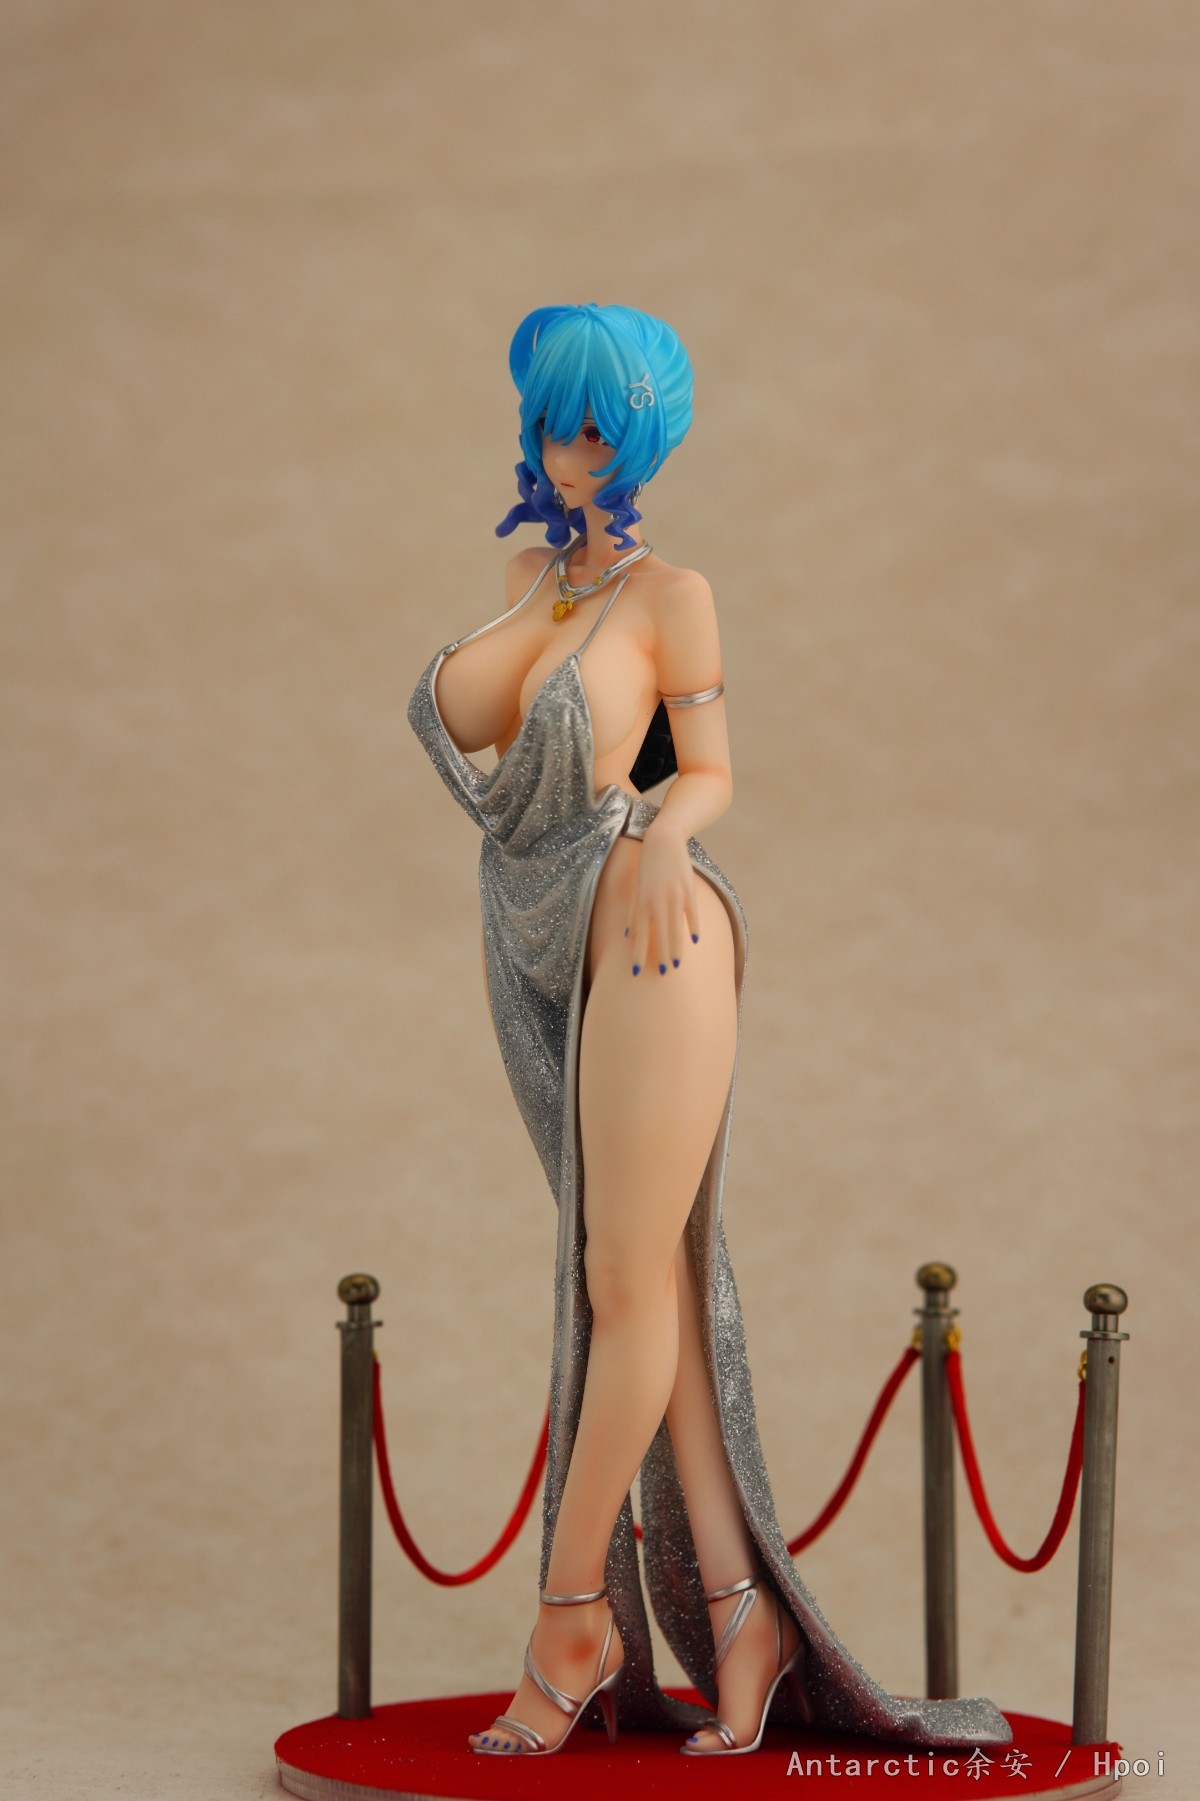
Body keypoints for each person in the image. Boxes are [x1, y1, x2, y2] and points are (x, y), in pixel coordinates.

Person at [407, 302, 1011, 1759]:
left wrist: (672, 828)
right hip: (530, 933)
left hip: (649, 921)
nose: (570, 445)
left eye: (599, 423)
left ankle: (571, 1616)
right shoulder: (527, 583)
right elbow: (472, 721)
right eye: (552, 419)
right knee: (649, 1271)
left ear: (645, 435)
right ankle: (740, 1612)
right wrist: (549, 584)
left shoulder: (674, 595)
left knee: (623, 1279)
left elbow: (712, 764)